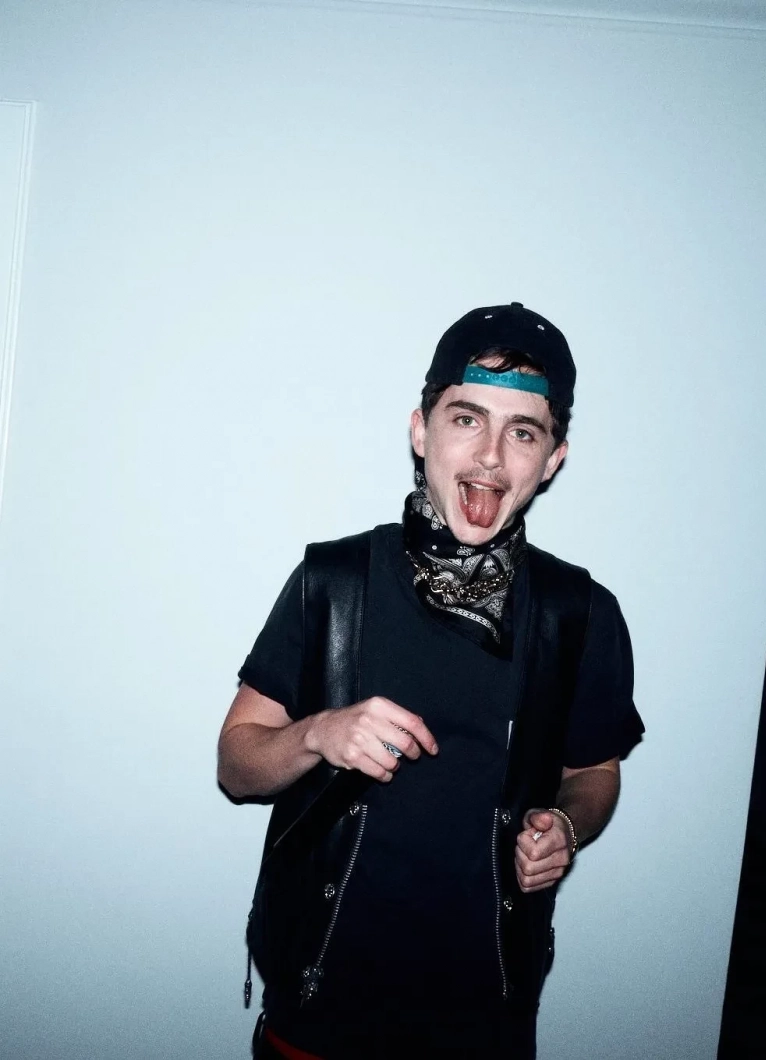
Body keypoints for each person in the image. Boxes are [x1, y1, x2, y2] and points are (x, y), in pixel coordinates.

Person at [218, 302, 644, 1060]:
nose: (491, 457)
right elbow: (236, 764)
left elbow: (595, 773)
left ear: (552, 459)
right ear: (421, 431)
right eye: (466, 419)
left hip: (486, 1017)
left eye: (523, 432)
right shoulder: (334, 583)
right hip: (319, 1006)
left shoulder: (579, 614)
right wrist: (318, 734)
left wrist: (567, 826)